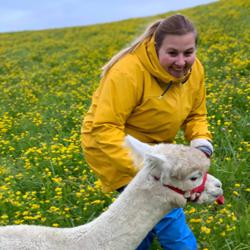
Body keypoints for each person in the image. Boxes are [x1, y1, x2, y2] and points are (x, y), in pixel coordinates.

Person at [81, 14, 213, 250]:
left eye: (188, 53)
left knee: (139, 221)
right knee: (168, 220)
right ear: (155, 46)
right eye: (172, 53)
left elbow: (196, 115)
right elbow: (104, 128)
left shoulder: (196, 70)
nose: (181, 62)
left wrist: (200, 149)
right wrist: (157, 172)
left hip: (156, 149)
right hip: (114, 147)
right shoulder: (127, 72)